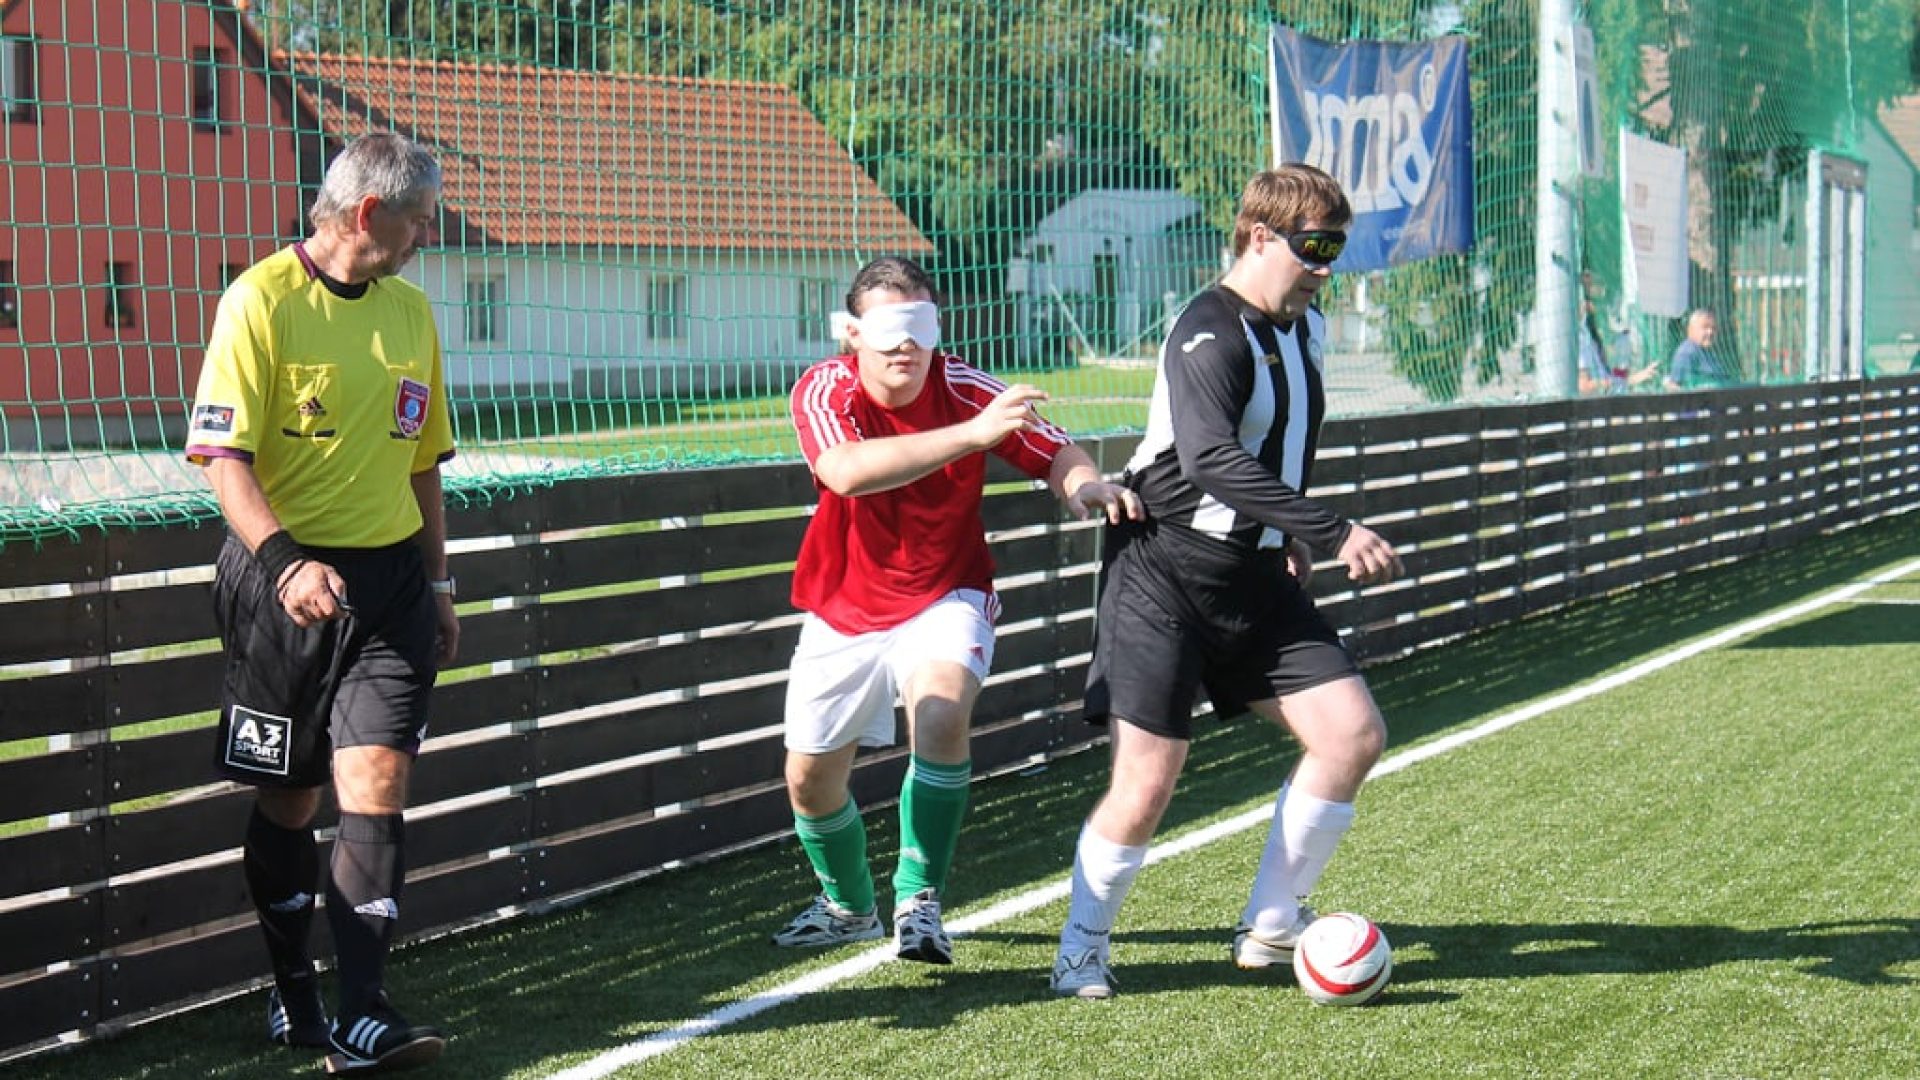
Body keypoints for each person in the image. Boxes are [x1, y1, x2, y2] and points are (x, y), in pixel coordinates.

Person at [1049, 165, 1404, 1000]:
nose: (1324, 267)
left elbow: (1282, 443)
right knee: (1145, 783)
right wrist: (1333, 528)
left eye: (1336, 251)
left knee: (1352, 735)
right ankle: (1080, 950)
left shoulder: (1305, 327)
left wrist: (1286, 534)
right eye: (1313, 248)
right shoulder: (1207, 329)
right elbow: (1209, 458)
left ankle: (1273, 927)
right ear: (1258, 236)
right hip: (1162, 572)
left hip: (1253, 574)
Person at [774, 256, 1142, 965]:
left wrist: (1086, 484)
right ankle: (849, 908)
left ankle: (919, 902)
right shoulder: (824, 388)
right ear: (851, 335)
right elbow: (844, 471)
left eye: (919, 326)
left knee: (941, 711)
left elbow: (1054, 450)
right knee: (808, 781)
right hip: (843, 606)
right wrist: (973, 436)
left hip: (947, 592)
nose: (905, 345)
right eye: (886, 329)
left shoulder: (969, 387)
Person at [184, 131, 456, 1072]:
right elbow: (225, 460)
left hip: (388, 591)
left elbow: (424, 462)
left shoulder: (414, 314)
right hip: (282, 587)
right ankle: (294, 993)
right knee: (291, 801)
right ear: (369, 214)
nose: (431, 236)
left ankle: (363, 1010)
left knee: (377, 783)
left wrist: (439, 579)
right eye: (422, 220)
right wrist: (289, 564)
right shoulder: (258, 300)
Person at [1664, 308, 1730, 389]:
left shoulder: (1707, 351)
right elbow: (1673, 386)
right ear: (1690, 329)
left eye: (1713, 328)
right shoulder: (1687, 353)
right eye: (1705, 327)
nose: (1710, 332)